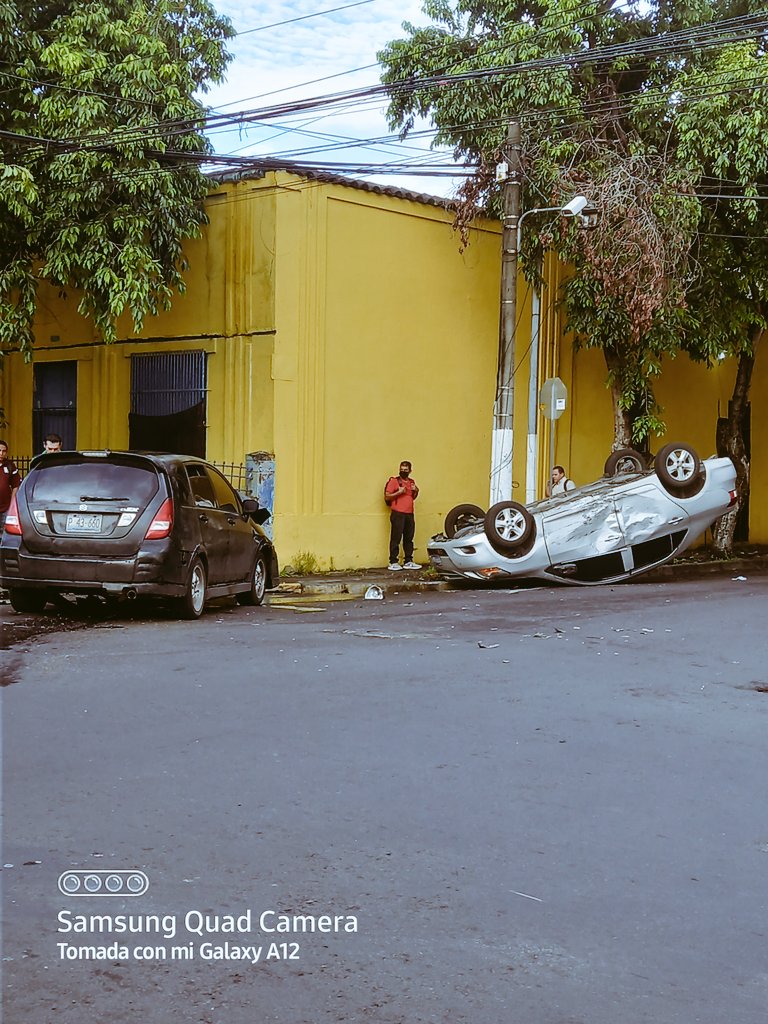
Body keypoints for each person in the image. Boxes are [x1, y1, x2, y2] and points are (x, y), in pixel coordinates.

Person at [384, 460, 421, 570]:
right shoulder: (394, 481)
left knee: (409, 538)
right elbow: (387, 496)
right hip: (398, 513)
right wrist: (399, 492)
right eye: (401, 469)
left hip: (409, 514)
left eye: (406, 470)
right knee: (396, 537)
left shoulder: (411, 482)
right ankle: (393, 561)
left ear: (410, 471)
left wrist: (417, 490)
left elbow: (412, 497)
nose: (403, 471)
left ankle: (408, 561)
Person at [0, 440, 21, 530]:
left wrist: (12, 504)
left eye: (4, 451)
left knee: (6, 533)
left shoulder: (10, 465)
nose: (1, 453)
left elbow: (16, 485)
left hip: (6, 508)